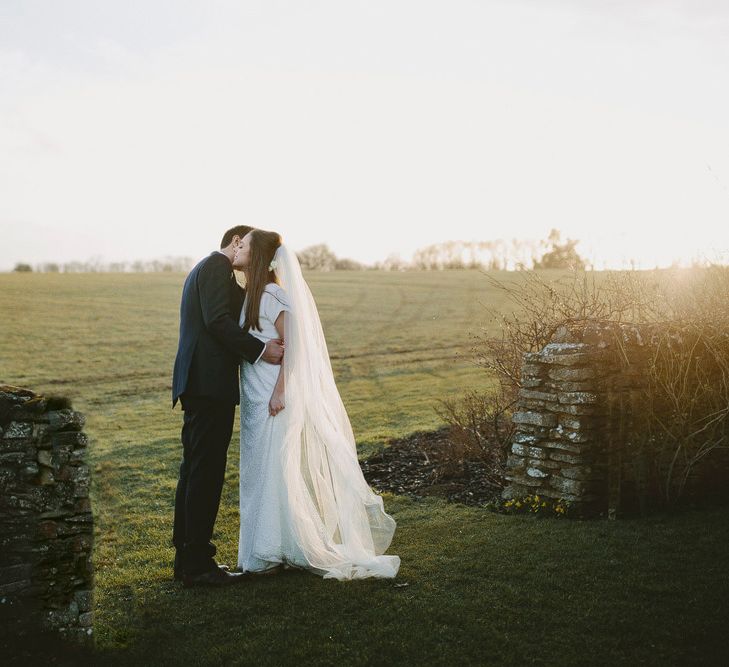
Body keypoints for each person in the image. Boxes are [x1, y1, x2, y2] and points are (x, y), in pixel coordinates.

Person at [235, 229, 400, 580]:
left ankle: (269, 551)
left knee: (273, 473)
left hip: (271, 400)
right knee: (256, 474)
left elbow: (293, 346)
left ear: (259, 255)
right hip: (253, 398)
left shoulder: (273, 295)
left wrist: (280, 390)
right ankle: (263, 549)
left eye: (246, 244)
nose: (240, 247)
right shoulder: (252, 295)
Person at [171, 226, 285, 587]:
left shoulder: (204, 270)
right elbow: (217, 321)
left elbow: (238, 306)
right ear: (236, 243)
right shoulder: (216, 268)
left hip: (199, 385)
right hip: (209, 386)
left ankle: (187, 558)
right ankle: (198, 564)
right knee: (205, 473)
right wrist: (260, 349)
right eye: (245, 245)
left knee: (194, 470)